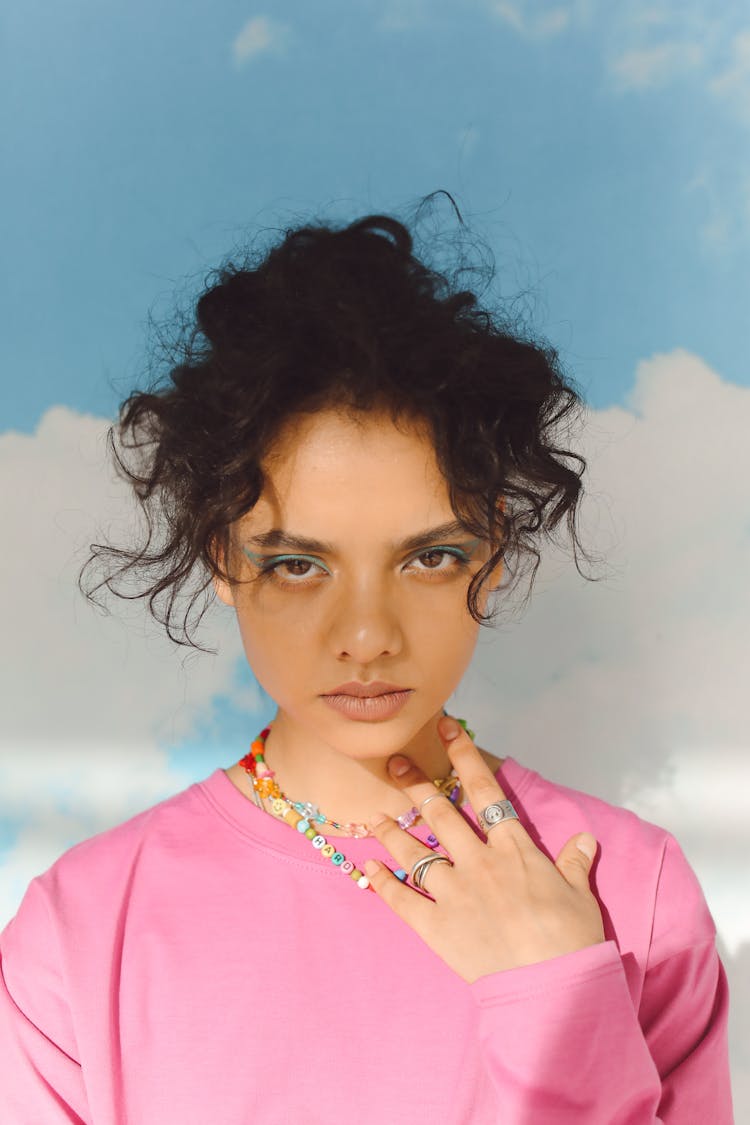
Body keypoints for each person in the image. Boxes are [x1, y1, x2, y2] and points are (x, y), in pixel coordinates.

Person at [0, 201, 733, 1123]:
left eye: (429, 556)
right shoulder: (80, 930)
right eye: (298, 563)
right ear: (223, 557)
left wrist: (558, 997)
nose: (367, 635)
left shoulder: (632, 890)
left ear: (494, 553)